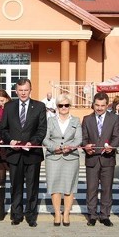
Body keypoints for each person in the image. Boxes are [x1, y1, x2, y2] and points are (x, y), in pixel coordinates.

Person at [0, 78, 47, 227]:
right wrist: (10, 141)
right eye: (20, 90)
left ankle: (31, 215)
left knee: (32, 187)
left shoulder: (39, 106)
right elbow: (3, 128)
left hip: (32, 154)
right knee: (16, 186)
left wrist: (32, 143)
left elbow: (42, 129)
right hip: (14, 154)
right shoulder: (9, 106)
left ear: (30, 90)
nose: (23, 93)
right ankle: (16, 215)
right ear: (16, 91)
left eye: (26, 90)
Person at [82, 92, 119, 227]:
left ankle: (105, 215)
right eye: (97, 105)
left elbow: (117, 136)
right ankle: (92, 215)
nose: (99, 108)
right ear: (93, 104)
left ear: (107, 105)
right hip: (92, 158)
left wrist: (113, 146)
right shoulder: (87, 119)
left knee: (107, 189)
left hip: (108, 159)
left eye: (102, 106)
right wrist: (85, 146)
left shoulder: (114, 119)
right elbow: (84, 138)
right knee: (91, 189)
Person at [43, 94, 82, 227]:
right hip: (53, 157)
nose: (64, 108)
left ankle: (66, 213)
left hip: (71, 157)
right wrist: (56, 148)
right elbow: (45, 138)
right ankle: (57, 214)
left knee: (69, 187)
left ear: (70, 106)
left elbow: (78, 139)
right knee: (55, 186)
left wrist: (69, 148)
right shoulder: (50, 121)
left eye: (66, 105)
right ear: (57, 107)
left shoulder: (76, 121)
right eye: (61, 105)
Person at [0, 89, 12, 221]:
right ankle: (1, 209)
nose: (0, 104)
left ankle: (15, 208)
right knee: (1, 180)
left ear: (7, 99)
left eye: (2, 101)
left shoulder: (13, 110)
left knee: (14, 180)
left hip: (10, 149)